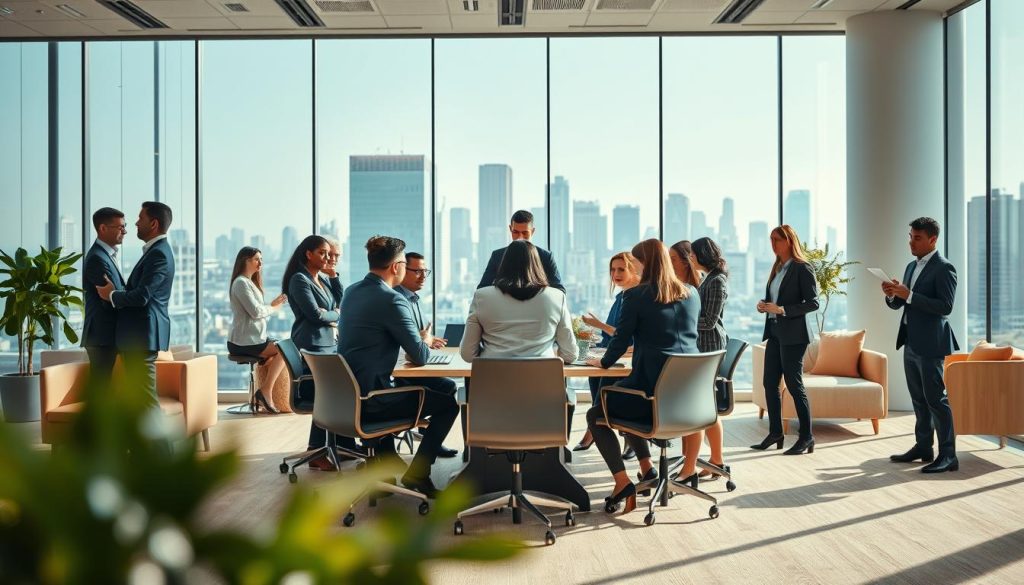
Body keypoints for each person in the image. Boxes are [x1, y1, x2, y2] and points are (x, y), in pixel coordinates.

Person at [584, 239, 700, 515]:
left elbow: (619, 341)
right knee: (616, 398)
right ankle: (647, 470)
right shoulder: (692, 293)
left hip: (650, 395)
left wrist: (602, 362)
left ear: (645, 264)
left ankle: (622, 482)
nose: (633, 268)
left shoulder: (635, 296)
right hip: (688, 398)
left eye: (635, 263)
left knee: (596, 414)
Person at [339, 236, 459, 497]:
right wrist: (424, 340)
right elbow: (421, 356)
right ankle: (417, 474)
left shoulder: (351, 291)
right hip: (373, 400)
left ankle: (385, 462)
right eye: (405, 264)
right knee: (449, 404)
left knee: (435, 388)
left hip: (347, 396)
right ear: (396, 267)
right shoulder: (392, 300)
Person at [883, 217, 959, 473]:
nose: (911, 242)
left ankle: (948, 455)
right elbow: (902, 304)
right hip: (910, 341)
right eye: (910, 237)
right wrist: (892, 294)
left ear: (932, 239)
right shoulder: (910, 267)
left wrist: (911, 295)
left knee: (936, 399)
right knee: (918, 399)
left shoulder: (944, 268)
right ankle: (924, 447)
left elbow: (945, 307)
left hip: (931, 344)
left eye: (916, 238)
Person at [96, 202, 175, 411]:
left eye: (141, 219)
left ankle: (161, 445)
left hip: (141, 337)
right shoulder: (156, 251)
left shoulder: (158, 253)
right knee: (142, 404)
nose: (136, 224)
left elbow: (143, 296)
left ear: (154, 223)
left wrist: (112, 295)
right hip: (140, 336)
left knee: (147, 404)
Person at [752, 225, 819, 455]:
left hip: (794, 335)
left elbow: (813, 303)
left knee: (793, 384)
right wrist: (765, 305)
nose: (773, 244)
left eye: (777, 240)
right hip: (775, 333)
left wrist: (781, 310)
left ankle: (807, 437)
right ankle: (775, 432)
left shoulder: (802, 267)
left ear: (789, 241)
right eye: (771, 239)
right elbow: (776, 299)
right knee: (769, 383)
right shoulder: (777, 268)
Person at [460, 240, 577, 364]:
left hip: (493, 380)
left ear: (503, 263)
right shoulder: (557, 297)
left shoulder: (482, 296)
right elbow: (570, 355)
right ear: (537, 264)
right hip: (541, 381)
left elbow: (467, 354)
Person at [283, 235, 343, 471]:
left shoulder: (320, 280)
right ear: (308, 254)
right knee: (329, 393)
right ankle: (316, 449)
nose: (328, 257)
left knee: (341, 387)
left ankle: (340, 444)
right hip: (312, 347)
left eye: (329, 254)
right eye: (322, 253)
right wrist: (335, 315)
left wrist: (334, 277)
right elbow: (315, 315)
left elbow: (341, 301)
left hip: (328, 345)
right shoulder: (299, 280)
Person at [392, 251, 459, 459]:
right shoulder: (397, 300)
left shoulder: (414, 299)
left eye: (425, 271)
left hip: (413, 361)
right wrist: (424, 341)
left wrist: (429, 339)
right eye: (417, 271)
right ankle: (430, 443)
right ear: (402, 269)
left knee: (448, 385)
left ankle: (431, 440)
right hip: (402, 369)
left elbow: (421, 334)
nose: (422, 276)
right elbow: (410, 341)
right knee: (448, 394)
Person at [672, 239, 729, 480]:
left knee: (707, 407)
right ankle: (715, 460)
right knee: (705, 406)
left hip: (710, 348)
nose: (691, 259)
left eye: (693, 255)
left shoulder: (717, 282)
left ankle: (717, 460)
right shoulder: (708, 278)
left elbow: (710, 321)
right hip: (701, 348)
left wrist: (682, 322)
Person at [573, 252, 641, 453]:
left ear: (633, 269)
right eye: (612, 270)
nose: (615, 274)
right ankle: (597, 424)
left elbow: (625, 335)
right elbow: (614, 335)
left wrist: (598, 324)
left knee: (602, 377)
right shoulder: (621, 296)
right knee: (592, 373)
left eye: (621, 269)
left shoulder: (635, 297)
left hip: (629, 357)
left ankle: (596, 426)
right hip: (616, 351)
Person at [227, 246, 288, 414]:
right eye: (256, 259)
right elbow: (256, 312)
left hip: (254, 339)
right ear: (245, 261)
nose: (260, 262)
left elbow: (258, 309)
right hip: (243, 342)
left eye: (261, 259)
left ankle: (263, 390)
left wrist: (271, 305)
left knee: (284, 346)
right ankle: (265, 391)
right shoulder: (240, 283)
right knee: (284, 350)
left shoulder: (249, 283)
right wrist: (274, 307)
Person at [82, 207, 126, 387]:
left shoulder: (107, 256)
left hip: (107, 336)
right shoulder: (97, 259)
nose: (125, 231)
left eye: (125, 226)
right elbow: (108, 299)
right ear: (103, 228)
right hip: (101, 337)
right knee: (101, 389)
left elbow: (115, 292)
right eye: (120, 227)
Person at [477, 210, 564, 292]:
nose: (520, 237)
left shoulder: (546, 257)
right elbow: (482, 288)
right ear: (510, 229)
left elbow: (560, 290)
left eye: (525, 233)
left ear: (532, 231)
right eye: (515, 232)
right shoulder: (497, 256)